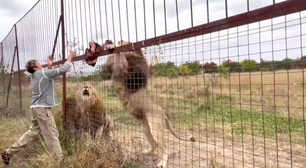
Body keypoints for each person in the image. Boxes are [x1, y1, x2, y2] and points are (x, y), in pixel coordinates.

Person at [1, 52, 77, 165]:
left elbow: (47, 77)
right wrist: (70, 58)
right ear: (36, 67)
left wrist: (50, 65)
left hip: (36, 108)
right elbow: (62, 70)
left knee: (33, 132)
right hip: (42, 110)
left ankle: (8, 153)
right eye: (39, 63)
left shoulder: (36, 75)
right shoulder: (42, 73)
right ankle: (59, 161)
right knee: (52, 134)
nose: (41, 64)